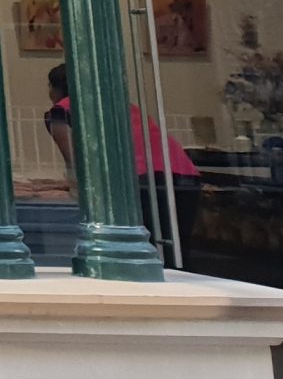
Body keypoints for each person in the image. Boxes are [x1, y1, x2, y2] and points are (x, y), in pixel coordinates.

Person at [46, 62, 200, 258]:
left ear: (57, 89)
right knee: (176, 251)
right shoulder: (120, 104)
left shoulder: (61, 111)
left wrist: (76, 189)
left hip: (137, 178)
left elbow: (75, 163)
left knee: (135, 250)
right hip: (184, 174)